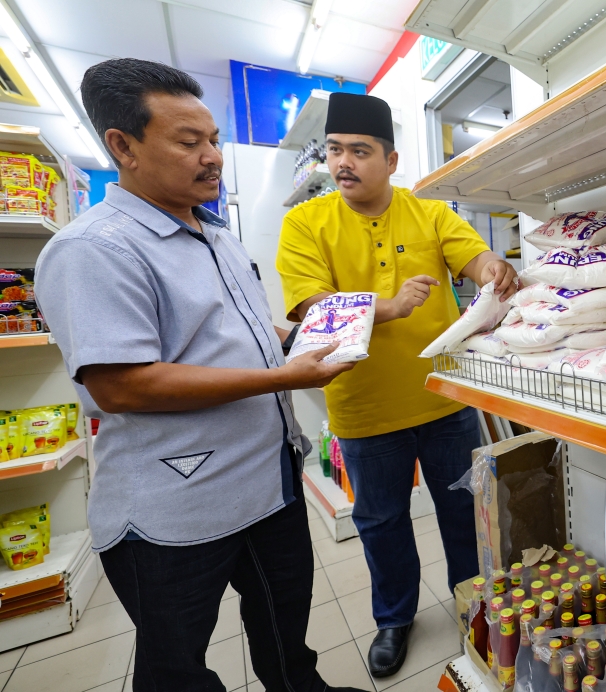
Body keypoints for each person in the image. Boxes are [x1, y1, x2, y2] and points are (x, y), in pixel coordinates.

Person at [35, 59, 365, 692]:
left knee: (283, 632)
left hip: (269, 484)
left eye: (212, 139)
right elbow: (122, 384)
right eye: (189, 142)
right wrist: (284, 379)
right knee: (177, 667)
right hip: (175, 508)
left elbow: (228, 334)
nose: (212, 156)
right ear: (123, 147)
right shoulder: (95, 249)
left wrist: (306, 338)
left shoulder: (215, 235)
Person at [276, 92, 518, 677]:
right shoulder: (306, 221)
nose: (343, 163)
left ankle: (475, 607)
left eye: (360, 151)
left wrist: (492, 269)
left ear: (391, 158)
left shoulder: (427, 212)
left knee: (462, 511)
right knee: (381, 523)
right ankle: (394, 617)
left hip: (442, 398)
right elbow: (310, 305)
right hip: (363, 409)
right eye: (335, 151)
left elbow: (471, 255)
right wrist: (388, 308)